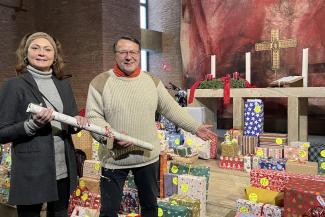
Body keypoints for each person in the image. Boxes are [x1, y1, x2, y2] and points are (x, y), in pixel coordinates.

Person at [86, 36, 217, 217]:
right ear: (115, 55)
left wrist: (195, 127)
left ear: (139, 55)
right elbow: (93, 117)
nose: (128, 56)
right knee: (108, 211)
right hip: (113, 159)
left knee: (150, 207)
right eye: (123, 52)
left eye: (133, 52)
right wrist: (111, 136)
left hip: (148, 157)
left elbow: (171, 109)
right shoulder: (100, 82)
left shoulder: (152, 81)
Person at [0, 32, 88, 217]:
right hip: (31, 169)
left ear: (55, 56)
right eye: (35, 48)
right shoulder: (14, 85)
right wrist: (32, 125)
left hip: (63, 167)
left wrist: (77, 123)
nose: (42, 53)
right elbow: (2, 132)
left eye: (48, 49)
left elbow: (69, 121)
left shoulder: (63, 84)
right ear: (25, 53)